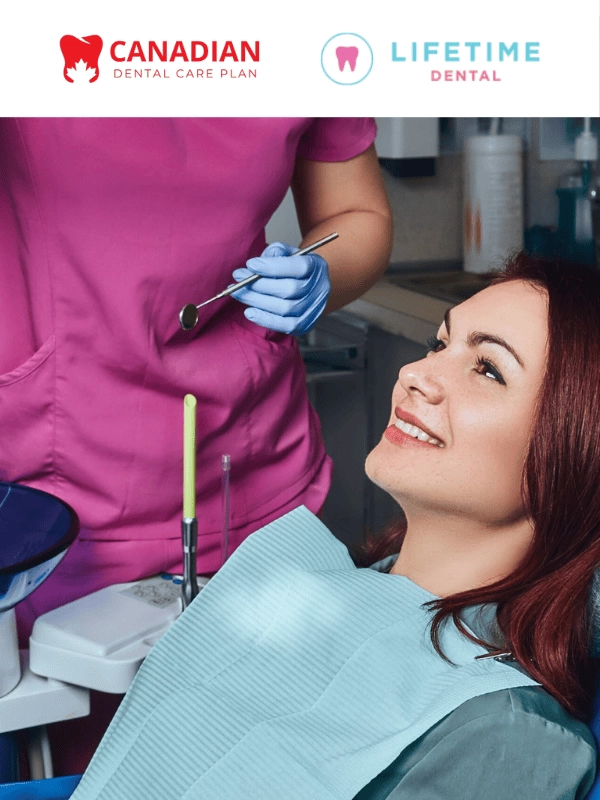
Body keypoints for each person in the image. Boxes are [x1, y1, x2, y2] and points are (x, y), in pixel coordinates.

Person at [69, 253, 600, 799]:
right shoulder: (306, 592)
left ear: (576, 453)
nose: (415, 375)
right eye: (439, 344)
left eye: (488, 369)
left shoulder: (505, 733)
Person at [0, 117, 392, 773]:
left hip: (246, 459)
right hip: (55, 484)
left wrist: (321, 270)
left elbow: (357, 214)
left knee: (251, 760)